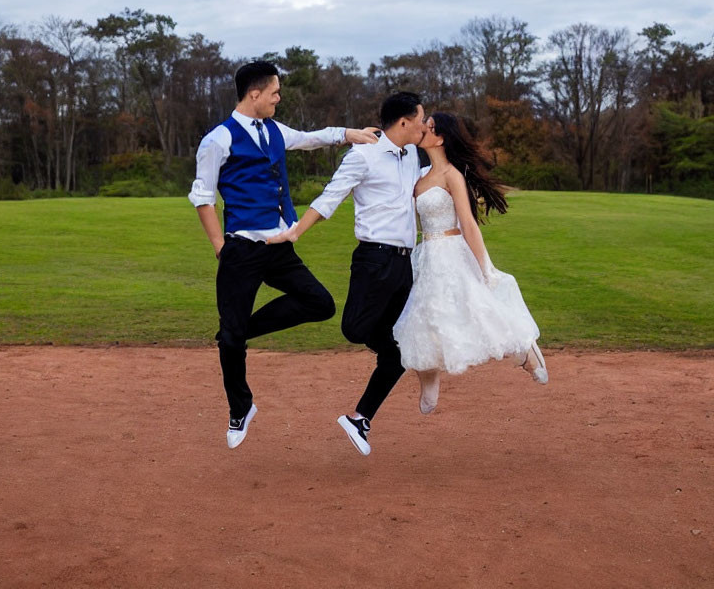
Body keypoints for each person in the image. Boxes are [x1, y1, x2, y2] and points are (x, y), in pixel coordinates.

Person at [189, 60, 379, 449]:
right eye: (274, 92)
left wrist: (349, 134)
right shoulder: (218, 140)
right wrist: (220, 247)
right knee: (230, 340)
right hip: (240, 249)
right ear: (254, 94)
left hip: (279, 246)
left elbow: (311, 137)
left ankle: (240, 331)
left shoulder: (274, 130)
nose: (278, 98)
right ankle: (240, 407)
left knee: (320, 303)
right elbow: (202, 198)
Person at [268, 91, 425, 456]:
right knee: (356, 329)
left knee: (400, 350)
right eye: (420, 118)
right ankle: (391, 352)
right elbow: (329, 198)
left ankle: (361, 418)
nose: (424, 124)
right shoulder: (363, 155)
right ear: (403, 121)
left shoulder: (413, 156)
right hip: (374, 258)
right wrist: (294, 232)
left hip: (406, 264)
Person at [393, 111, 548, 417]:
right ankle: (429, 379)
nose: (425, 129)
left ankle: (526, 351)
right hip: (426, 255)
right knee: (423, 317)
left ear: (442, 138)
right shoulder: (418, 176)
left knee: (479, 312)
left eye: (431, 127)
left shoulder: (452, 175)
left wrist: (486, 267)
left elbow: (468, 222)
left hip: (452, 252)